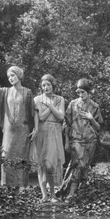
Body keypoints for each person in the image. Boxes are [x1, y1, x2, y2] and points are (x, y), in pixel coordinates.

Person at [57, 78, 103, 201]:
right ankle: (70, 193)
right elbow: (66, 124)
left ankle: (77, 192)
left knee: (84, 167)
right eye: (78, 92)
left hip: (90, 141)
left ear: (89, 92)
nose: (80, 95)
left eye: (83, 92)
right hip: (76, 141)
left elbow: (98, 127)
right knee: (78, 165)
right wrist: (66, 141)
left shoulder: (95, 106)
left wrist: (91, 118)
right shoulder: (72, 104)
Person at [33, 74, 65, 202]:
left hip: (55, 133)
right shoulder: (37, 99)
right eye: (43, 85)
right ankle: (44, 195)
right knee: (42, 164)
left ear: (53, 85)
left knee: (51, 165)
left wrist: (51, 106)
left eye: (48, 85)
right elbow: (40, 117)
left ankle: (53, 194)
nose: (46, 87)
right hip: (42, 132)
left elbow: (61, 117)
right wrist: (52, 109)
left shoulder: (60, 99)